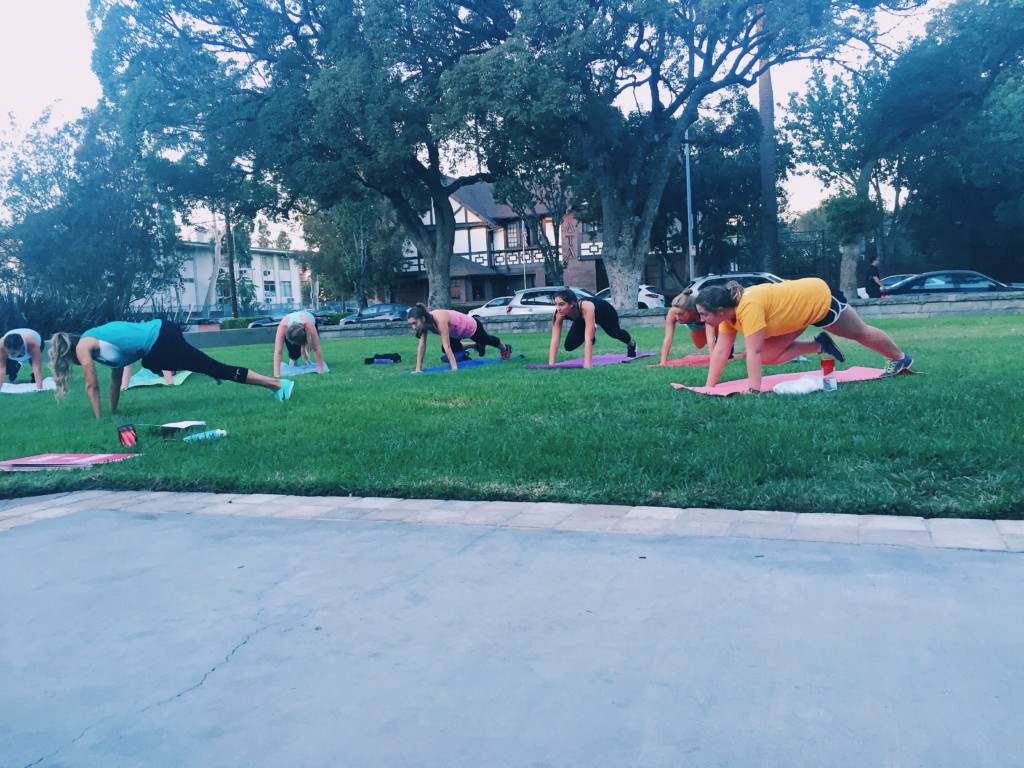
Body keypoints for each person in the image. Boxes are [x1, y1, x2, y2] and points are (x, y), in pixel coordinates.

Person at [695, 277, 913, 393]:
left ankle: (900, 358)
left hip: (819, 299)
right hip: (796, 315)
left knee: (859, 333)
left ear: (720, 311)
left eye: (704, 314)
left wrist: (753, 390)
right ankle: (819, 345)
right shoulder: (728, 318)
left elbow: (753, 352)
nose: (701, 320)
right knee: (770, 356)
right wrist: (709, 387)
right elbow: (721, 351)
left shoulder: (747, 307)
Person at [49, 319, 294, 418]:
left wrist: (99, 419)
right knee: (209, 368)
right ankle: (271, 383)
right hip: (162, 335)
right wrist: (112, 413)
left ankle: (277, 384)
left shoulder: (84, 346)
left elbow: (92, 386)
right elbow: (115, 381)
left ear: (68, 354)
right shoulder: (99, 341)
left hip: (160, 340)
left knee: (217, 369)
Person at [406, 304, 512, 373]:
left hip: (470, 326)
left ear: (423, 318)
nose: (413, 327)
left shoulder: (439, 320)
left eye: (415, 323)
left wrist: (454, 368)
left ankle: (505, 348)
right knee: (446, 349)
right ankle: (475, 345)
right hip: (455, 333)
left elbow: (447, 346)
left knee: (486, 340)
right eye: (411, 324)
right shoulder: (423, 325)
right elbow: (421, 347)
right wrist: (418, 369)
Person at [549, 287, 637, 368]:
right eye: (556, 304)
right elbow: (555, 340)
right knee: (569, 346)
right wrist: (551, 365)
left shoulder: (586, 307)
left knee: (615, 333)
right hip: (582, 318)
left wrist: (587, 364)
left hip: (605, 312)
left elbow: (588, 339)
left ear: (571, 304)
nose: (558, 308)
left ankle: (631, 344)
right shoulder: (558, 314)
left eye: (561, 304)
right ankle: (592, 329)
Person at [656, 291, 727, 365]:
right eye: (676, 314)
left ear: (690, 310)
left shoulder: (703, 309)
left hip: (714, 322)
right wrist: (663, 362)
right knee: (699, 345)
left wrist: (713, 361)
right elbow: (668, 339)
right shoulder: (672, 313)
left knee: (718, 338)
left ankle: (722, 344)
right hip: (695, 325)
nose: (677, 317)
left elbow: (710, 338)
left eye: (681, 314)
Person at [273, 310, 324, 377]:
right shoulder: (283, 326)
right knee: (293, 351)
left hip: (308, 319)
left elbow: (316, 349)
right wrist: (277, 374)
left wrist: (320, 370)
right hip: (291, 325)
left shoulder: (309, 324)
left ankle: (306, 357)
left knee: (310, 345)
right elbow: (278, 351)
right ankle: (293, 359)